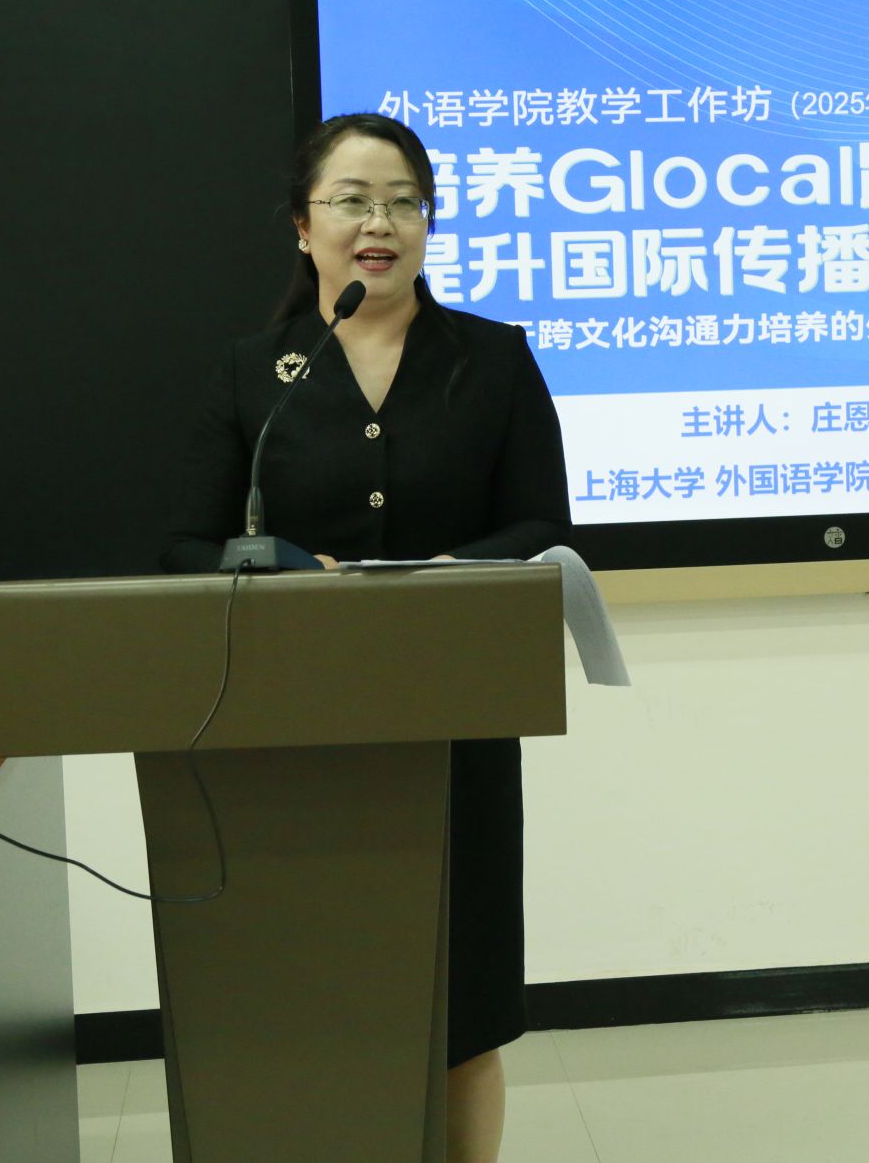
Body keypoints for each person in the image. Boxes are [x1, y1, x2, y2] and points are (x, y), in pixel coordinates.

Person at [163, 112, 570, 1162]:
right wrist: (286, 569)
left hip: (456, 716)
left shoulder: (492, 359)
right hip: (291, 729)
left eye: (402, 202)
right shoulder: (252, 374)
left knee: (463, 999)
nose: (378, 223)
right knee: (314, 990)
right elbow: (186, 541)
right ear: (303, 227)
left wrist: (441, 573)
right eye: (351, 200)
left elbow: (542, 523)